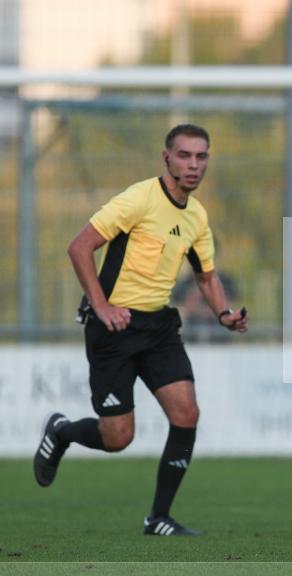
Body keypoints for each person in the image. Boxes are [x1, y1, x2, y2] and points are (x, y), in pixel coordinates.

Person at [34, 124, 249, 536]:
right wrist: (101, 305)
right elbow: (79, 247)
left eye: (201, 156)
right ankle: (61, 431)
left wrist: (223, 314)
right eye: (184, 155)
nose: (193, 164)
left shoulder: (196, 216)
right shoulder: (139, 199)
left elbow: (206, 276)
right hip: (113, 327)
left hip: (158, 326)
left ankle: (158, 518)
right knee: (118, 438)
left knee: (186, 413)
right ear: (166, 158)